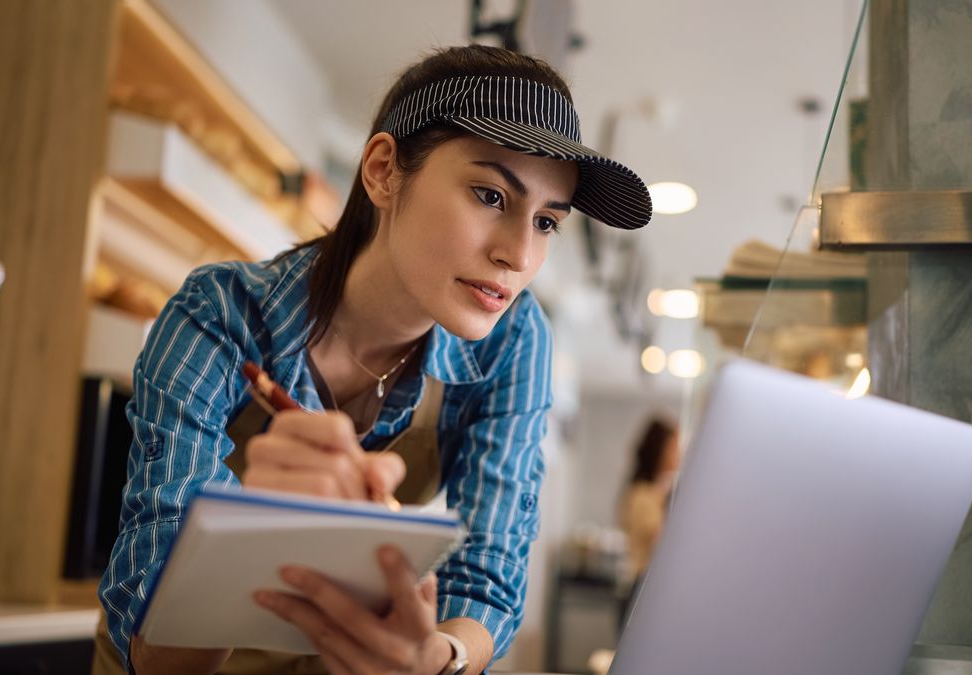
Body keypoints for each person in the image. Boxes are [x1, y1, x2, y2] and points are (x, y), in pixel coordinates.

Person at [94, 44, 652, 675]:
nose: (519, 255)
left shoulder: (514, 340)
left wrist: (433, 658)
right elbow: (156, 655)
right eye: (491, 195)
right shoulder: (218, 317)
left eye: (547, 221)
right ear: (385, 170)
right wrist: (248, 536)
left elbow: (488, 577)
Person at [617, 417, 680, 629]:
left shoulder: (655, 493)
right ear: (660, 450)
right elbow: (661, 545)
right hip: (641, 589)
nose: (679, 454)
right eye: (674, 447)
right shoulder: (643, 495)